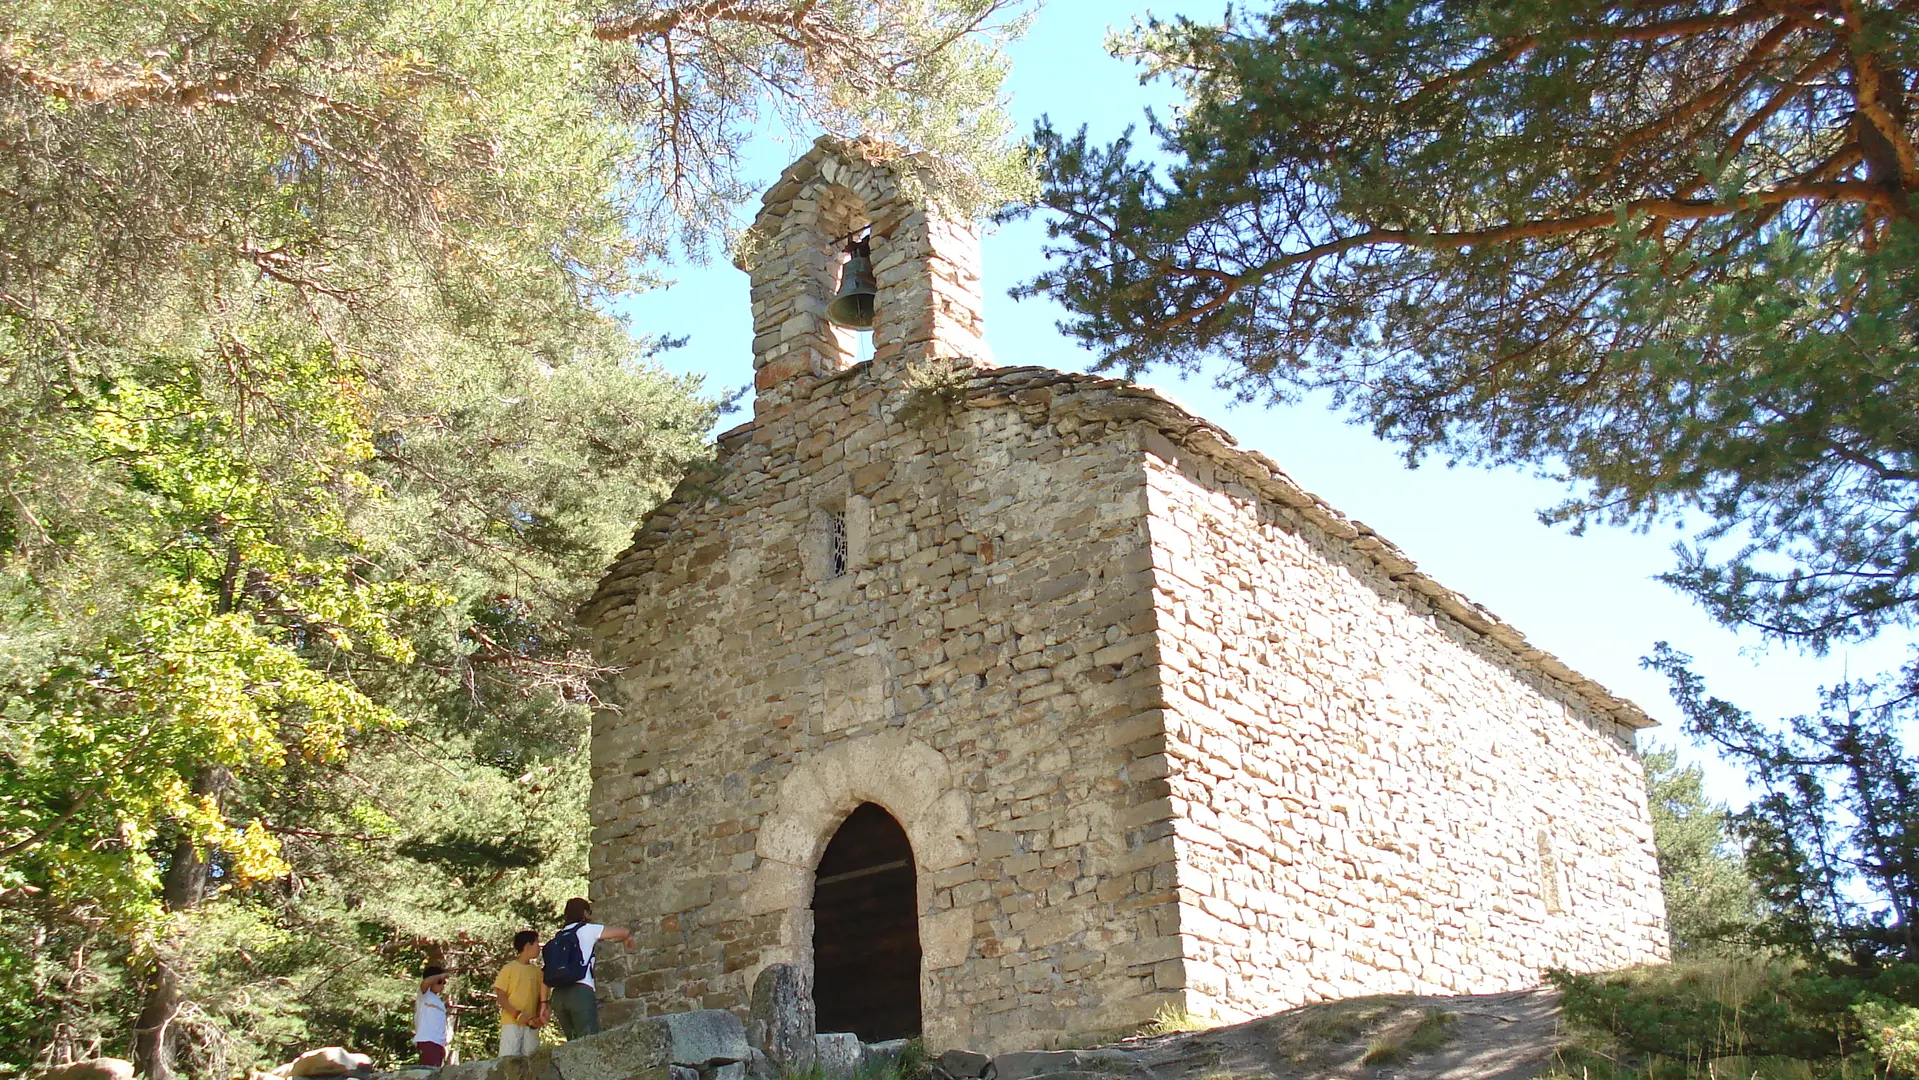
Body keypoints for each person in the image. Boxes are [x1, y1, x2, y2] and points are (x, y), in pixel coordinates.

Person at [544, 897, 635, 1039]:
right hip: (580, 991)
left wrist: (544, 1003)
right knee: (588, 1041)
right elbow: (621, 931)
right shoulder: (586, 930)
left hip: (558, 996)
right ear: (585, 913)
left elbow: (546, 973)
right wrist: (627, 937)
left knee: (571, 1043)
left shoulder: (557, 938)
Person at [493, 930, 548, 1057]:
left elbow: (541, 998)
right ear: (527, 946)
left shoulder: (538, 972)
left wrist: (538, 1017)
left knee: (531, 1061)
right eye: (536, 943)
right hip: (511, 1024)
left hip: (531, 1025)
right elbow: (501, 996)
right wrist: (517, 1014)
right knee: (508, 1061)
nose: (539, 947)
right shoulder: (509, 968)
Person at [413, 964, 450, 1066]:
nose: (442, 985)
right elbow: (425, 982)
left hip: (439, 1043)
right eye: (439, 982)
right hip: (427, 1041)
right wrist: (441, 975)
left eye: (444, 982)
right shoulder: (424, 996)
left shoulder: (439, 1001)